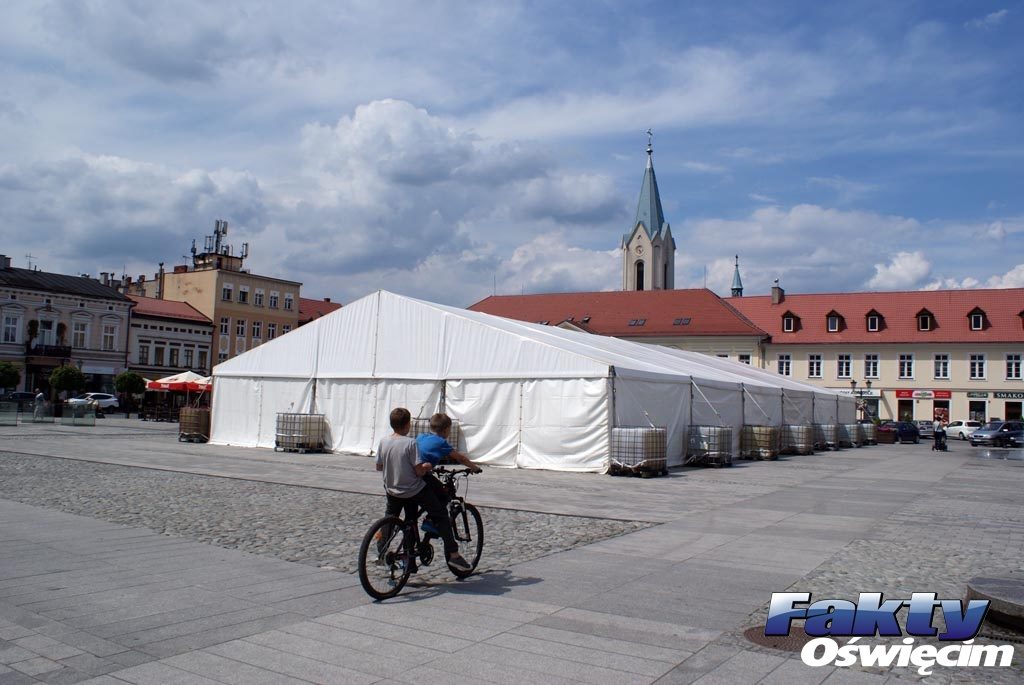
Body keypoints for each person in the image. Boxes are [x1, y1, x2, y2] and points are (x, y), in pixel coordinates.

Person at [375, 407, 472, 574]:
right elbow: (419, 471)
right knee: (441, 514)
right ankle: (454, 555)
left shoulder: (384, 441)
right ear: (408, 425)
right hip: (413, 490)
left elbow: (379, 466)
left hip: (392, 489)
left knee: (397, 519)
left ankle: (390, 553)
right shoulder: (410, 443)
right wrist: (426, 466)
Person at [416, 412, 482, 535]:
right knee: (443, 495)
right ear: (446, 430)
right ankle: (431, 520)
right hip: (422, 475)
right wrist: (474, 467)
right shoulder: (442, 443)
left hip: (413, 472)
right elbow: (460, 458)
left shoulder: (421, 436)